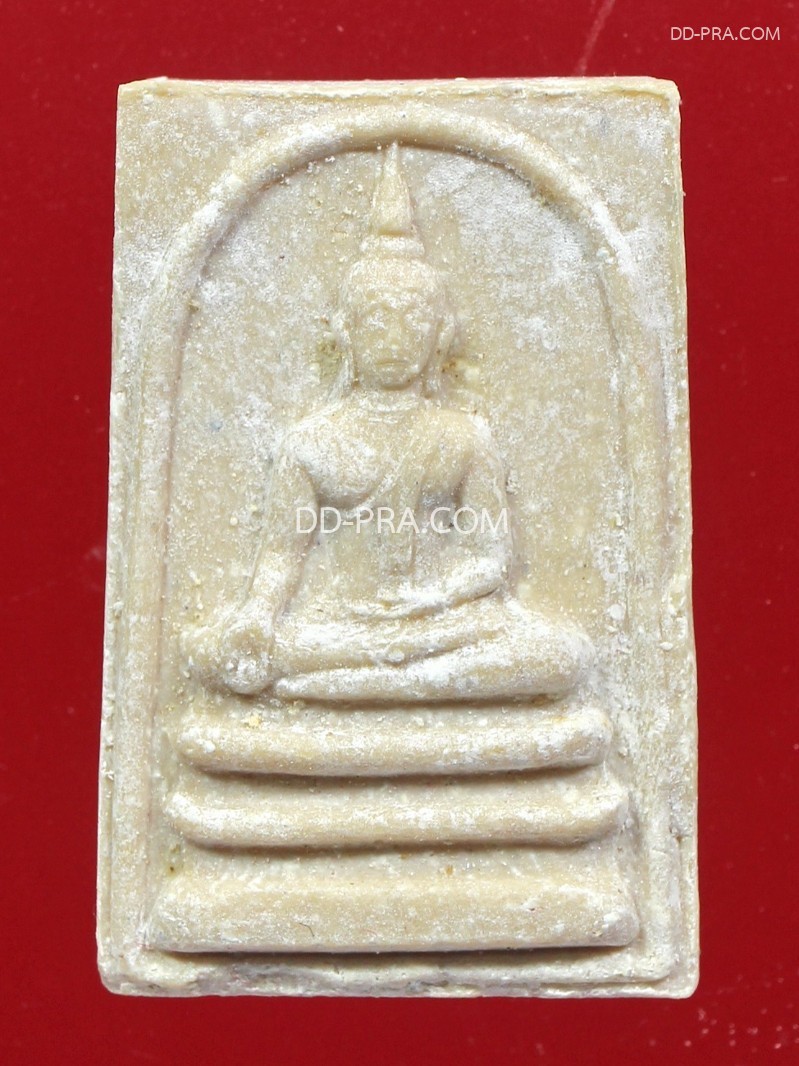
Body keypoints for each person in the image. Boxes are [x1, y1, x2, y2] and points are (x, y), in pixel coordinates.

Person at [184, 145, 592, 703]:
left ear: (441, 335)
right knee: (220, 651)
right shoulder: (311, 442)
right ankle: (390, 680)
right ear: (345, 333)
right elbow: (282, 554)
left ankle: (346, 685)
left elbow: (491, 554)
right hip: (339, 625)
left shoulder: (463, 437)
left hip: (443, 624)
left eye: (413, 320)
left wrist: (435, 598)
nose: (395, 338)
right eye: (377, 319)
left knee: (560, 657)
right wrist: (257, 615)